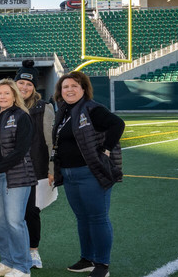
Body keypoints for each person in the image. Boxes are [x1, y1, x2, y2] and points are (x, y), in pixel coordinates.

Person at [51, 71, 124, 277]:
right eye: (65, 87)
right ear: (60, 91)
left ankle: (102, 264)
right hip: (69, 174)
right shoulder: (63, 111)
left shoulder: (92, 108)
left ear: (83, 89)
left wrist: (106, 149)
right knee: (82, 218)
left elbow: (117, 124)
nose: (69, 90)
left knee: (98, 218)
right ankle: (87, 258)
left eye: (74, 86)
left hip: (90, 173)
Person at [0, 79, 35, 277]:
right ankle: (7, 261)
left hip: (17, 176)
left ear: (14, 95)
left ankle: (22, 267)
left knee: (14, 221)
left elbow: (21, 150)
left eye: (6, 93)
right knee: (0, 223)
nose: (2, 97)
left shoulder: (22, 116)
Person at [15, 60, 54, 270]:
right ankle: (17, 252)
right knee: (13, 215)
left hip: (35, 170)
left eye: (28, 84)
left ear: (34, 87)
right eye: (21, 83)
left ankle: (33, 251)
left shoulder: (43, 108)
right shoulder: (6, 106)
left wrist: (51, 169)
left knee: (31, 211)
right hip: (11, 171)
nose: (24, 88)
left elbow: (50, 141)